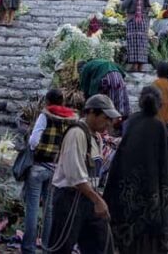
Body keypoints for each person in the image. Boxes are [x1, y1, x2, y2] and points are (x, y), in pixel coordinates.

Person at [104, 87, 168, 254]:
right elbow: (165, 163)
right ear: (160, 103)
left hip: (128, 196)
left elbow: (121, 157)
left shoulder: (132, 122)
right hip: (151, 196)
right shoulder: (158, 125)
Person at [47, 94, 119, 254]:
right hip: (70, 198)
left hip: (88, 198)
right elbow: (76, 176)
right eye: (105, 118)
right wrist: (98, 200)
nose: (108, 123)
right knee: (62, 248)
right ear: (91, 112)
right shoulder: (76, 134)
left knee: (102, 247)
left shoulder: (96, 137)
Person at [22, 89, 78, 254]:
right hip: (57, 169)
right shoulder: (71, 120)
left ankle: (29, 248)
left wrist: (34, 148)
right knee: (49, 211)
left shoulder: (45, 116)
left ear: (47, 101)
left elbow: (34, 140)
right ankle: (47, 247)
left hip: (39, 166)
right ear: (62, 102)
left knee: (32, 209)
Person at [121, 0, 149, 72]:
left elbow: (124, 5)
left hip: (133, 20)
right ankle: (141, 66)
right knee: (141, 44)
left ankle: (135, 66)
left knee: (133, 44)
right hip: (143, 21)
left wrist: (121, 8)